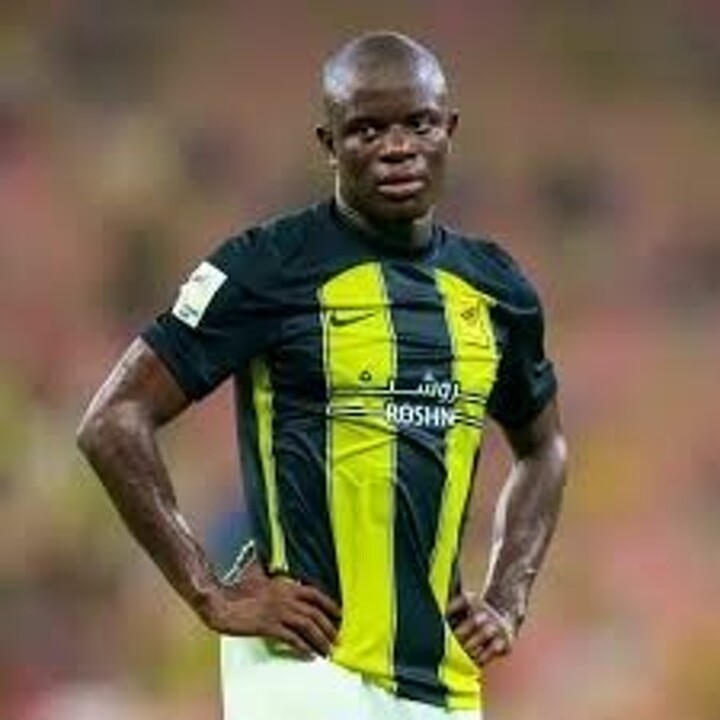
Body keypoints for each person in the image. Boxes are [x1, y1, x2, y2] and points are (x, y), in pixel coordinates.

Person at [77, 31, 568, 720]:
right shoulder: (268, 266)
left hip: (441, 680)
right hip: (307, 664)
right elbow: (113, 420)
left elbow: (544, 448)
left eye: (419, 124)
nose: (397, 148)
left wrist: (508, 597)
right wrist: (208, 592)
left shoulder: (497, 289)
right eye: (368, 129)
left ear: (449, 131)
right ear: (329, 144)